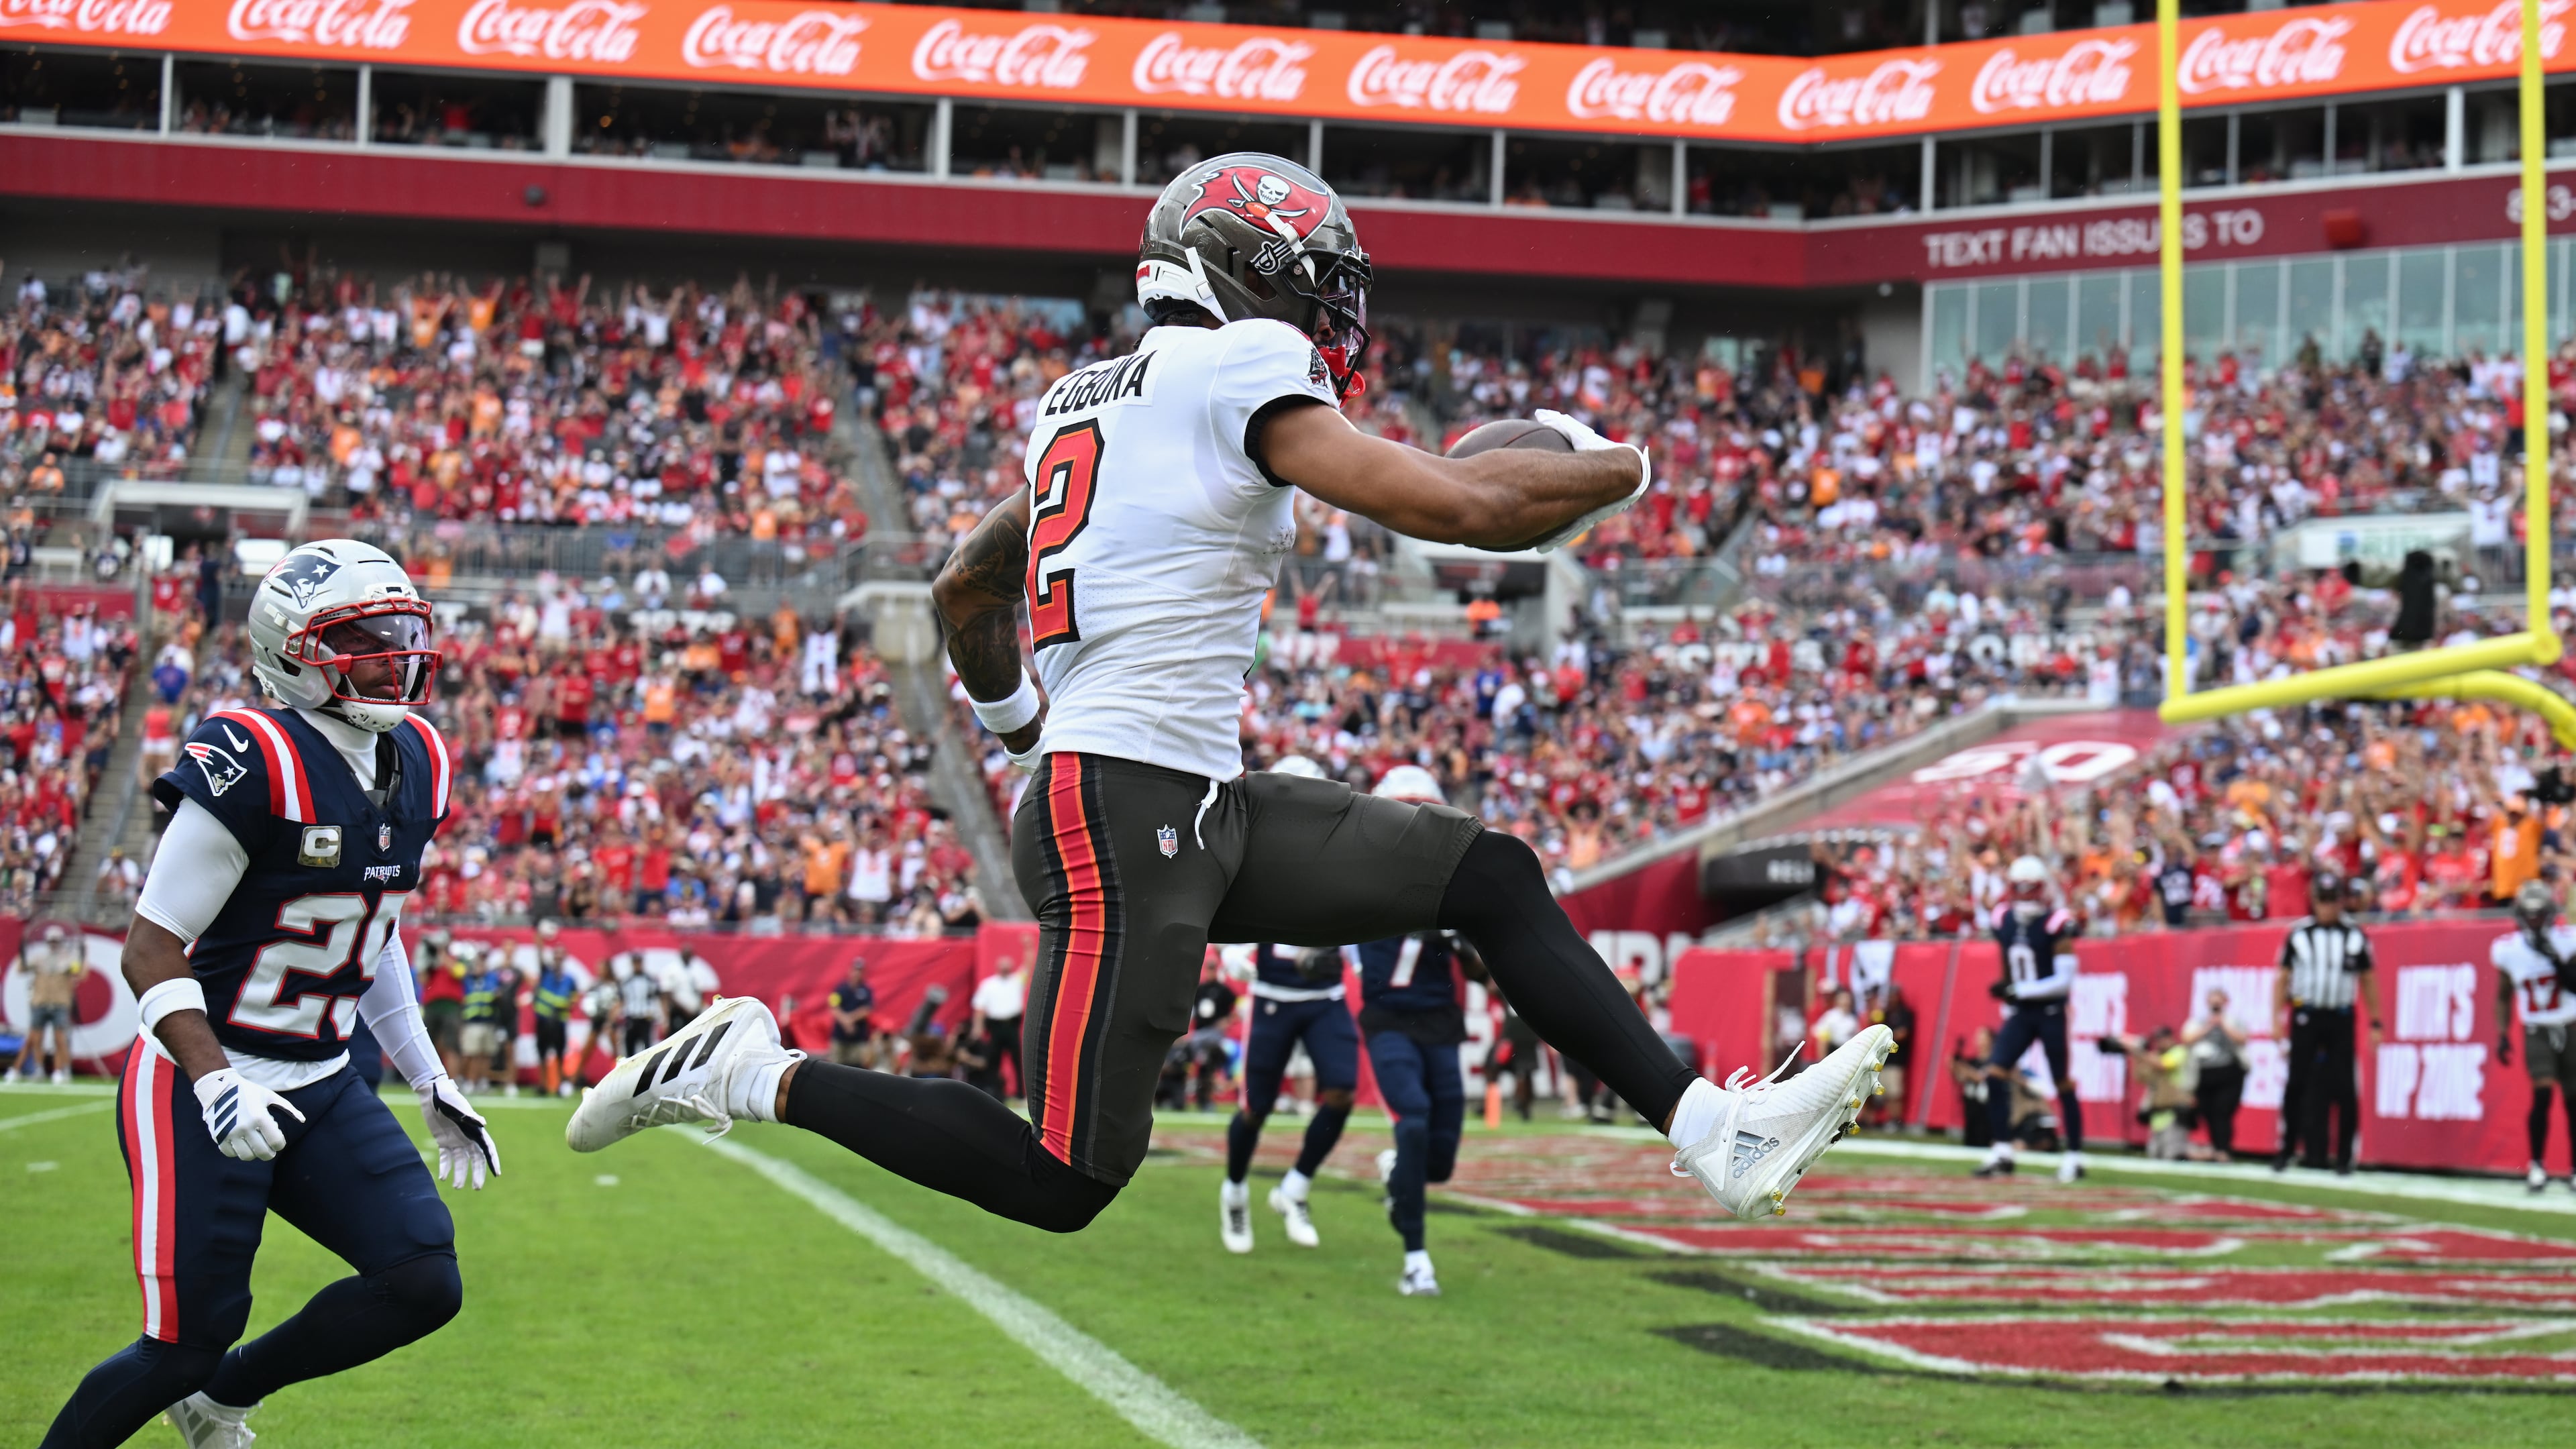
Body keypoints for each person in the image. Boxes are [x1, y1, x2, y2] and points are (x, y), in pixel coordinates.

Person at [564, 153, 1892, 1237]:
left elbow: (970, 585)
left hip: (1184, 801)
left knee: (1485, 875)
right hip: (1130, 809)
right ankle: (750, 1068)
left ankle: (1716, 1130)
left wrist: (1023, 738)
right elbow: (1468, 511)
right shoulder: (1235, 366)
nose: (1325, 321)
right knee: (1064, 1181)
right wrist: (1630, 468)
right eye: (1309, 289)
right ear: (1237, 273)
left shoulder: (1079, 403)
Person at [42, 540, 497, 1449]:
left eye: (402, 633)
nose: (394, 655)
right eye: (365, 638)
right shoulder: (255, 753)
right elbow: (149, 946)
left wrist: (428, 1074)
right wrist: (212, 1081)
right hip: (198, 1075)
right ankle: (190, 1383)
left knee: (420, 1276)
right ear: (295, 650)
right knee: (182, 1343)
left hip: (321, 1077)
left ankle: (224, 1398)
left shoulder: (419, 755)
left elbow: (373, 929)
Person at [1352, 767, 1489, 1297]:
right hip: (1389, 1021)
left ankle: (1398, 1181)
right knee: (1411, 1123)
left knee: (1439, 1161)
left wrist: (1460, 940)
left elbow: (1481, 974)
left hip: (1440, 1024)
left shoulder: (1452, 887)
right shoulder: (1360, 878)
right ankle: (1416, 1260)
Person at [1220, 755, 1364, 1253]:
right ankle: (1235, 1191)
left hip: (1325, 996)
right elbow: (1226, 909)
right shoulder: (1251, 847)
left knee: (1342, 1090)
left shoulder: (1341, 850)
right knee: (1256, 1107)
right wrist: (1238, 956)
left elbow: (1360, 910)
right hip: (1274, 995)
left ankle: (1296, 1186)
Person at [1976, 855, 2086, 1182]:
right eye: (2020, 889)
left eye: (2030, 889)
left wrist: (2017, 991)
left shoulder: (2057, 923)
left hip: (2050, 1011)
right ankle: (2003, 1153)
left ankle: (2075, 1156)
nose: (2025, 896)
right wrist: (2011, 993)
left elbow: (2065, 979)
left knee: (2062, 1082)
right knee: (1995, 1074)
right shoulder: (2003, 919)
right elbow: (2008, 959)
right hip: (2023, 1013)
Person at [2273, 871, 2381, 1175]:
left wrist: (2376, 1022)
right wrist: (2276, 1019)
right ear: (2314, 901)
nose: (2328, 908)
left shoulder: (2355, 936)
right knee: (2296, 1083)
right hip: (2305, 1014)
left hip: (2340, 1016)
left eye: (2333, 902)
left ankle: (2345, 1157)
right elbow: (2282, 978)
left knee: (2345, 1088)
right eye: (2323, 901)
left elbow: (2369, 979)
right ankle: (2286, 1150)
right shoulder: (2298, 934)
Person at [2493, 878, 2576, 1191]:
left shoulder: (2568, 941)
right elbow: (2503, 996)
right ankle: (2537, 1166)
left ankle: (2574, 1169)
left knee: (2574, 1101)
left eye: (2540, 914)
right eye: (2530, 914)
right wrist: (2502, 1033)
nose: (2535, 920)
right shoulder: (2509, 950)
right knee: (2542, 1095)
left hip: (2570, 1026)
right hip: (2536, 1030)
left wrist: (2554, 957)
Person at [2181, 986, 2249, 1157]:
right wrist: (2208, 1026)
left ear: (2225, 1002)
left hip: (2229, 1073)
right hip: (2204, 1074)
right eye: (2213, 1002)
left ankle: (2223, 1149)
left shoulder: (2233, 1021)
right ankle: (2217, 1148)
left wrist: (2223, 1024)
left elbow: (2243, 1039)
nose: (2216, 1006)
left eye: (2219, 1002)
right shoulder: (2198, 1021)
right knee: (2208, 1112)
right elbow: (2187, 1039)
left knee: (2222, 1111)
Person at [12, 923, 80, 1084]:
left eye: (56, 941)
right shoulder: (39, 958)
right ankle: (38, 1068)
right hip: (40, 1001)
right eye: (51, 941)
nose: (54, 944)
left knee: (59, 1038)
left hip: (60, 1003)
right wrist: (22, 952)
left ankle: (60, 1070)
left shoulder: (68, 958)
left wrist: (83, 955)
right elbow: (21, 969)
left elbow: (80, 973)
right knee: (36, 1038)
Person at [969, 951, 1028, 1099]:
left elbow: (1028, 965)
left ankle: (1020, 1094)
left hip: (1012, 1026)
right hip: (995, 1027)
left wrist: (1028, 947)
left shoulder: (1017, 981)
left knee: (1018, 1061)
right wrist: (978, 1027)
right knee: (993, 1061)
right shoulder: (989, 985)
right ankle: (995, 1092)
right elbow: (980, 1008)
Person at [531, 942, 578, 1097]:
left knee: (559, 1053)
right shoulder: (546, 973)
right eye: (556, 955)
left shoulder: (570, 979)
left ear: (564, 958)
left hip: (559, 1021)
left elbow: (574, 999)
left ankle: (558, 1084)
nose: (558, 958)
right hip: (543, 1020)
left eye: (560, 955)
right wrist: (540, 937)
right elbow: (539, 956)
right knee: (542, 1052)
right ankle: (543, 1084)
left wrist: (566, 1006)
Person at [455, 942, 503, 1095]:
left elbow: (497, 994)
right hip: (472, 1021)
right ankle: (468, 1081)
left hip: (488, 1020)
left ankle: (482, 1081)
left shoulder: (492, 977)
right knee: (471, 1054)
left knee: (486, 1054)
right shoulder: (467, 979)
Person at [826, 956, 878, 1069]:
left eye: (860, 971)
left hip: (858, 1037)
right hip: (840, 1036)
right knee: (835, 1066)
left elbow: (867, 1010)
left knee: (857, 1067)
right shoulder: (840, 989)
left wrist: (850, 1019)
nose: (857, 974)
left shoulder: (866, 990)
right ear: (850, 970)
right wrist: (846, 1022)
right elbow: (834, 1006)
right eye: (855, 970)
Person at [615, 953, 663, 1059]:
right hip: (631, 1017)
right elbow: (621, 1000)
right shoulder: (626, 981)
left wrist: (663, 1018)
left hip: (646, 1018)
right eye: (635, 963)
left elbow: (659, 998)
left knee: (647, 1049)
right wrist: (614, 1016)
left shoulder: (651, 980)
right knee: (629, 1048)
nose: (637, 965)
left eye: (639, 962)